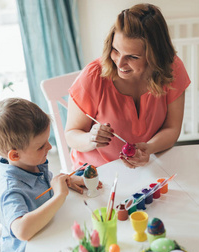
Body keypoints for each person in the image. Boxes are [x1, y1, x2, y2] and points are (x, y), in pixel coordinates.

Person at [65, 3, 190, 169]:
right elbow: (71, 134)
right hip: (95, 174)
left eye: (132, 56)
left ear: (155, 57)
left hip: (148, 166)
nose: (120, 63)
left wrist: (150, 148)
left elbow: (172, 128)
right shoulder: (94, 76)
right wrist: (90, 139)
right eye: (115, 50)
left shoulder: (172, 69)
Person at [0, 98, 85, 252]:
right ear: (14, 155)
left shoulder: (32, 163)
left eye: (47, 141)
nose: (49, 147)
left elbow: (44, 185)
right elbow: (22, 230)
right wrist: (59, 196)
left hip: (47, 235)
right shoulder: (11, 189)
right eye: (41, 146)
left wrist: (66, 181)